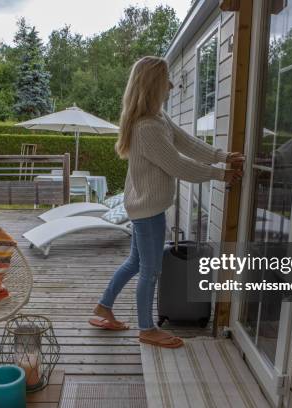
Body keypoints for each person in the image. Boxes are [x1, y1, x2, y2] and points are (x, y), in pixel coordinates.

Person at [89, 56, 244, 348]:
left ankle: (103, 307)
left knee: (136, 262)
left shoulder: (158, 118)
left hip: (145, 207)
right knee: (150, 270)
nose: (172, 85)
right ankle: (146, 328)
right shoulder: (147, 128)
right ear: (153, 85)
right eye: (166, 80)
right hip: (148, 211)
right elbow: (178, 165)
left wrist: (222, 157)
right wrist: (220, 174)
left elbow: (186, 142)